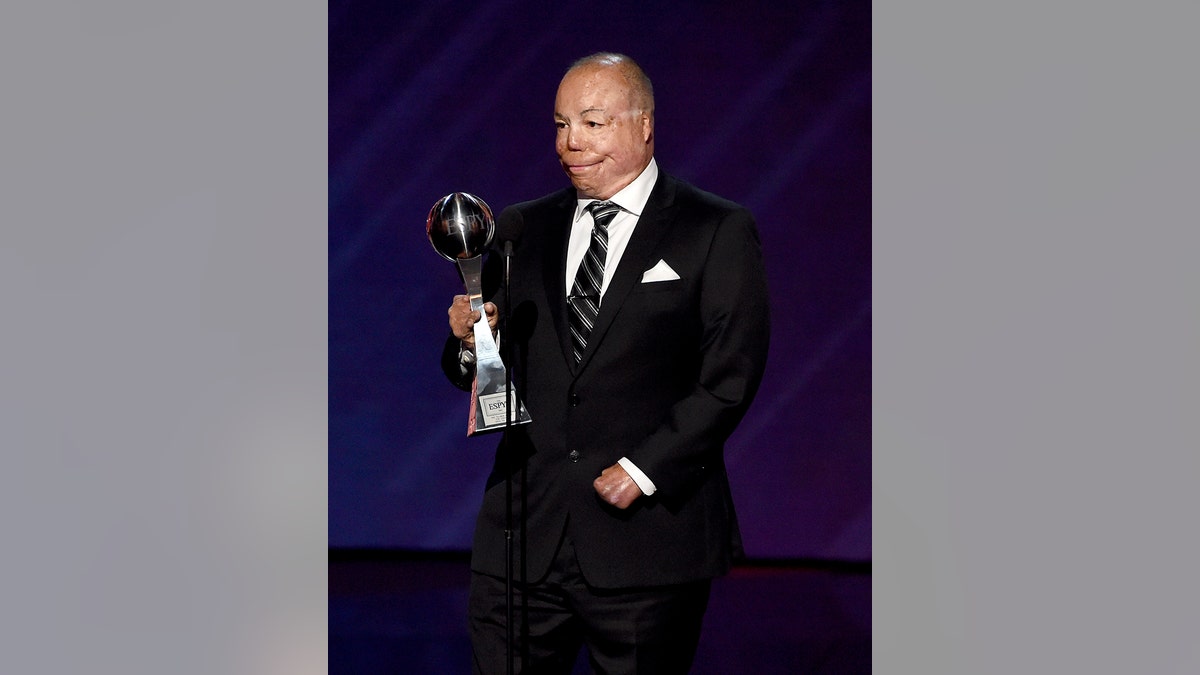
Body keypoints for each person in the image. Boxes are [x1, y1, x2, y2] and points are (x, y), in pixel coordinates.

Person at [442, 52, 771, 674]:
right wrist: (470, 342)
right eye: (561, 125)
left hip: (645, 539)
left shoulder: (714, 229)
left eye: (593, 124)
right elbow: (483, 380)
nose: (571, 144)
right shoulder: (519, 229)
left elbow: (730, 375)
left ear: (644, 125)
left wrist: (646, 469)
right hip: (523, 537)